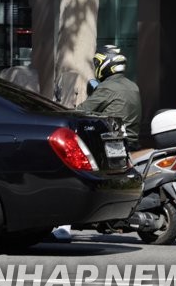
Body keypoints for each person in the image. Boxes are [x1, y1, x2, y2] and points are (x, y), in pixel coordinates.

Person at [53, 44, 142, 242]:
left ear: (105, 65)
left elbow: (83, 110)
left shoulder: (107, 88)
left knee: (71, 172)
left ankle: (64, 225)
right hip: (127, 140)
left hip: (110, 142)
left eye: (97, 64)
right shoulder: (131, 85)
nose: (96, 67)